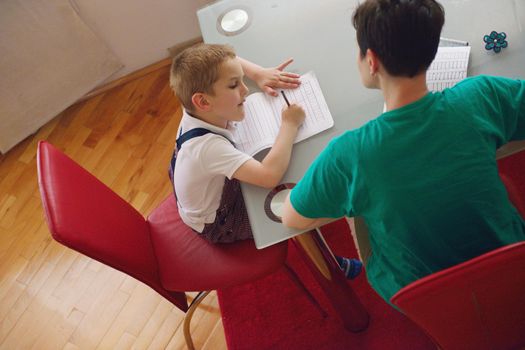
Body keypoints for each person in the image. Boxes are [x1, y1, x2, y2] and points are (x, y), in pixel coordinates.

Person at [282, 0, 525, 304]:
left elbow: (293, 218)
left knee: (362, 219)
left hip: (427, 300)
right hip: (512, 271)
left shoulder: (349, 154)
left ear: (371, 61)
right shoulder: (481, 96)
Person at [169, 43, 363, 279]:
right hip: (219, 221)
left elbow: (231, 61)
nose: (245, 90)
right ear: (203, 102)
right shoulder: (208, 148)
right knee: (294, 208)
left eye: (241, 81)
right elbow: (269, 176)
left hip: (201, 182)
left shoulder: (192, 99)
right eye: (233, 85)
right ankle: (331, 265)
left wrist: (257, 73)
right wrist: (289, 125)